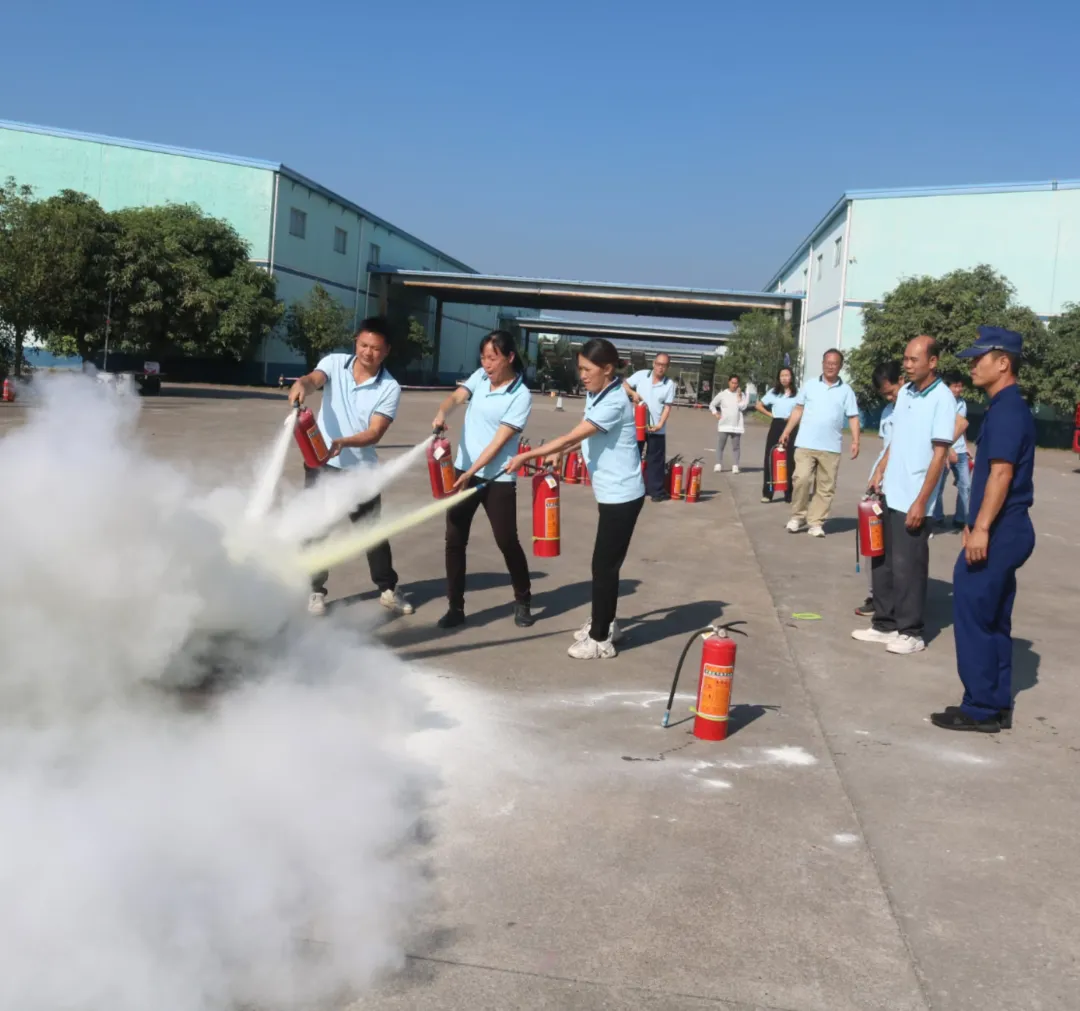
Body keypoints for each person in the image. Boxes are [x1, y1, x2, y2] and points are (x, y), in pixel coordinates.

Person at [505, 339, 645, 660]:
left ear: (607, 369)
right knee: (606, 566)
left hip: (622, 495)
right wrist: (561, 453)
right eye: (580, 368)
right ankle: (606, 623)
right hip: (611, 493)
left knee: (603, 566)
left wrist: (527, 456)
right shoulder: (599, 393)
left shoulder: (614, 402)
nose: (581, 375)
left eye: (587, 369)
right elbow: (585, 435)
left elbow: (572, 435)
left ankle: (600, 640)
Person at [931, 327, 1035, 732]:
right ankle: (996, 701)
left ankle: (980, 708)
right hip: (1007, 528)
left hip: (1003, 529)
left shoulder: (1007, 411)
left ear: (1003, 363)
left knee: (973, 613)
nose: (972, 365)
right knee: (993, 618)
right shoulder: (1006, 407)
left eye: (979, 359)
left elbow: (1001, 474)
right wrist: (975, 523)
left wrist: (982, 529)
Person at [288, 317, 413, 617]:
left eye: (376, 348)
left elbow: (376, 432)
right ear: (356, 341)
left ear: (387, 351)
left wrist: (344, 442)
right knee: (317, 529)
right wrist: (302, 384)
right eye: (363, 345)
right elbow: (314, 379)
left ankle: (387, 590)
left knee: (372, 533)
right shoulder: (334, 363)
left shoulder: (389, 387)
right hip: (321, 464)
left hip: (361, 471)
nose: (368, 352)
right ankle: (315, 591)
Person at [853, 336, 955, 655]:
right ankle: (884, 624)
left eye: (914, 360)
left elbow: (940, 454)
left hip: (914, 497)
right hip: (890, 492)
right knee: (882, 562)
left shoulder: (942, 399)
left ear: (933, 362)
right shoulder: (906, 393)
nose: (907, 365)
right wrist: (880, 471)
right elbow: (895, 440)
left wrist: (922, 501)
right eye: (905, 360)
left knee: (908, 566)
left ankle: (911, 631)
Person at [430, 331, 534, 630]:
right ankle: (455, 606)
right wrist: (442, 412)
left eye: (493, 358)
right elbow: (456, 397)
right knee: (454, 539)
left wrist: (470, 473)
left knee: (506, 540)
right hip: (463, 469)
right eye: (483, 358)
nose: (487, 364)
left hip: (497, 477)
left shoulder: (520, 395)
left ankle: (523, 598)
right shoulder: (480, 377)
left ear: (509, 357)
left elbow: (498, 443)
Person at [778, 349, 861, 537]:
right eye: (827, 363)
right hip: (806, 443)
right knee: (801, 479)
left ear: (840, 366)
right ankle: (797, 517)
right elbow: (798, 410)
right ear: (822, 363)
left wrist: (856, 441)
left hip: (831, 446)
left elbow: (853, 417)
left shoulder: (846, 391)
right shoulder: (809, 385)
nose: (830, 366)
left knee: (825, 487)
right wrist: (787, 431)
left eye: (834, 363)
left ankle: (816, 522)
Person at [854, 361, 904, 617]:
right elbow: (886, 448)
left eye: (891, 392)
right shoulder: (888, 411)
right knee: (873, 541)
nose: (889, 398)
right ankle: (876, 596)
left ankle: (896, 601)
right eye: (885, 394)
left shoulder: (913, 409)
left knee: (898, 550)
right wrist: (876, 476)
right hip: (880, 481)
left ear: (902, 380)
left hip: (902, 486)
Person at [624, 353, 676, 502]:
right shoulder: (641, 375)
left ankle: (656, 491)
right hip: (638, 426)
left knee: (656, 461)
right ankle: (629, 488)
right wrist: (633, 393)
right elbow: (624, 384)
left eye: (664, 365)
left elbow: (667, 407)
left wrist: (660, 424)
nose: (660, 367)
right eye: (658, 364)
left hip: (656, 428)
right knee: (632, 457)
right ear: (654, 363)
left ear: (667, 367)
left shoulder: (669, 384)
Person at [930, 371, 971, 530]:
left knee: (965, 486)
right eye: (955, 386)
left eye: (960, 386)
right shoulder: (942, 402)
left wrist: (966, 446)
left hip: (961, 452)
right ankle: (937, 517)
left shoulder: (962, 403)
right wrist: (948, 449)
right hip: (945, 450)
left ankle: (961, 518)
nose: (959, 389)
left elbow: (962, 427)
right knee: (938, 486)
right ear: (947, 387)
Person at [755, 366, 799, 503]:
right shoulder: (773, 392)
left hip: (792, 426)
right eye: (782, 376)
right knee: (771, 456)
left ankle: (789, 493)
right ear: (779, 378)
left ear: (791, 377)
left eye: (787, 375)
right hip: (777, 424)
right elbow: (758, 405)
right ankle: (768, 493)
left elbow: (802, 410)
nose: (784, 378)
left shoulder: (798, 393)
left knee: (790, 459)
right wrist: (771, 415)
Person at [709, 375, 749, 473]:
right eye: (732, 383)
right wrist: (716, 413)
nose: (734, 385)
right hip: (724, 424)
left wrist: (739, 397)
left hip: (736, 425)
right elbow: (712, 405)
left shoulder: (741, 394)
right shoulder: (722, 394)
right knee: (720, 445)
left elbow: (743, 407)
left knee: (736, 446)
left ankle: (735, 465)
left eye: (736, 383)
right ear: (729, 382)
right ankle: (718, 464)